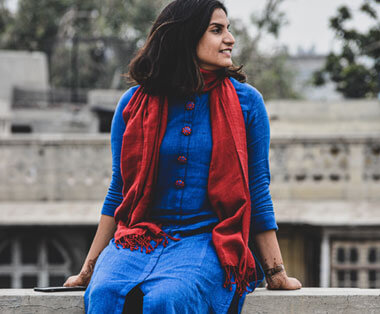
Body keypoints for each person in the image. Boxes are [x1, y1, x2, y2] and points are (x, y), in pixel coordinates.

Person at [64, 0, 302, 313]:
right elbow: (119, 190)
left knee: (170, 297)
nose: (230, 39)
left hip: (207, 241)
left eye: (228, 30)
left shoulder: (247, 103)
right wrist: (88, 270)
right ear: (186, 36)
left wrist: (275, 273)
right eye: (217, 30)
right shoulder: (133, 105)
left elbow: (256, 190)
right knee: (104, 292)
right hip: (139, 238)